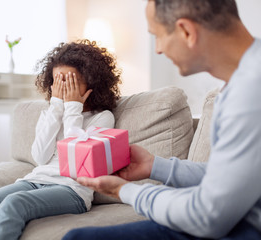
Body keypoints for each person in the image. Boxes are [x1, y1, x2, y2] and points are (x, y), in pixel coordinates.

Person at [62, 1, 261, 240]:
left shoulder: (250, 92)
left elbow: (207, 216)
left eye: (157, 36)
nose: (157, 49)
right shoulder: (244, 79)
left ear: (186, 31)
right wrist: (154, 166)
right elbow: (228, 178)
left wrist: (125, 191)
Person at [0, 39, 122, 240]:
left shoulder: (103, 117)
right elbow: (40, 157)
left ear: (91, 82)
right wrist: (57, 107)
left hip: (72, 190)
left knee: (14, 203)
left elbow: (74, 159)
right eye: (58, 81)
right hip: (35, 181)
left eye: (71, 80)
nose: (64, 87)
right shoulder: (51, 113)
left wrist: (73, 107)